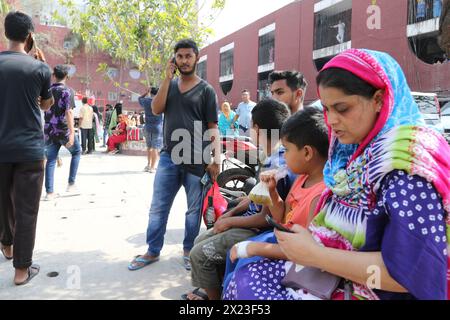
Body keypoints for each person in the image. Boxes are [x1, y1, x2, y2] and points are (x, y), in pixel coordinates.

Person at [273, 49, 449, 300]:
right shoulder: (355, 150)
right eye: (326, 109)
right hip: (338, 278)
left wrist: (315, 254)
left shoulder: (407, 169)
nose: (331, 120)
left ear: (379, 99)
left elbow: (409, 274)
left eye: (342, 108)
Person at [184, 99, 297, 300]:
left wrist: (229, 221)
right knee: (200, 239)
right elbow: (255, 197)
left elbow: (265, 218)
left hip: (258, 230)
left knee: (198, 254)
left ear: (256, 128)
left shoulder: (277, 163)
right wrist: (232, 212)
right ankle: (212, 289)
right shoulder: (271, 155)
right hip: (249, 221)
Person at [128, 39, 221, 272]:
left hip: (196, 158)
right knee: (158, 206)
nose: (184, 61)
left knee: (193, 210)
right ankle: (152, 251)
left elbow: (213, 127)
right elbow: (156, 109)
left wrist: (216, 159)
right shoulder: (168, 86)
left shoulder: (206, 90)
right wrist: (166, 79)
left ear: (196, 58)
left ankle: (189, 250)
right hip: (169, 156)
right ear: (174, 59)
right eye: (180, 56)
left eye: (188, 56)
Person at [223, 108, 328, 300]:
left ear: (306, 153)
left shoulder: (320, 195)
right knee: (236, 263)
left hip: (297, 261)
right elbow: (282, 216)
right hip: (282, 241)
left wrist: (253, 248)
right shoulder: (302, 179)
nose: (284, 156)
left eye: (287, 150)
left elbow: (308, 252)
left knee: (243, 271)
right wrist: (272, 191)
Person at [0, 11, 54, 285]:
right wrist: (42, 68)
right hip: (30, 149)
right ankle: (22, 270)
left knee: (2, 204)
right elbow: (46, 105)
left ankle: (6, 245)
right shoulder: (40, 69)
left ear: (5, 33)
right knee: (26, 210)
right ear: (30, 35)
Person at [43, 64, 82, 201]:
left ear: (54, 75)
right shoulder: (68, 91)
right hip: (63, 129)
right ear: (67, 76)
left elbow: (43, 107)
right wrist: (72, 133)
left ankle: (49, 193)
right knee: (76, 152)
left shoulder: (47, 90)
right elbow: (69, 112)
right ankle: (71, 184)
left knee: (51, 160)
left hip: (49, 130)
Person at [138, 87, 164, 173]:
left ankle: (148, 165)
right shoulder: (160, 101)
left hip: (147, 126)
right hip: (157, 126)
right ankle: (153, 167)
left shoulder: (146, 101)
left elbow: (139, 98)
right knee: (155, 148)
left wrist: (146, 92)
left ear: (151, 92)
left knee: (149, 147)